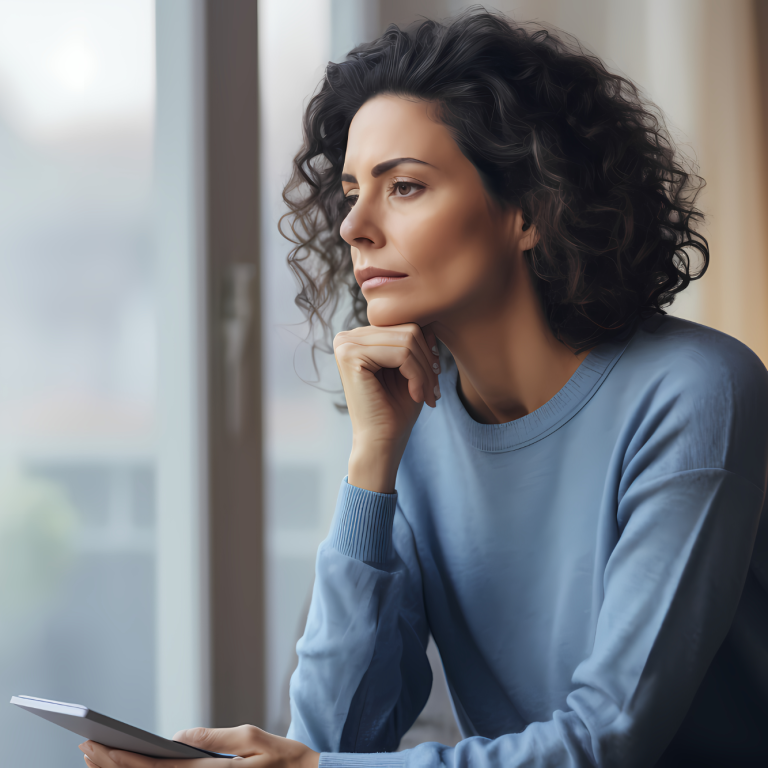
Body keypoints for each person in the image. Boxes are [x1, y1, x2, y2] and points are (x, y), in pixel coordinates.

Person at [79, 9, 768, 768]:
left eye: (403, 187)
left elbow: (606, 742)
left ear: (532, 210)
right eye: (349, 191)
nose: (353, 227)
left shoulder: (696, 393)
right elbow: (335, 739)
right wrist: (372, 463)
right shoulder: (414, 415)